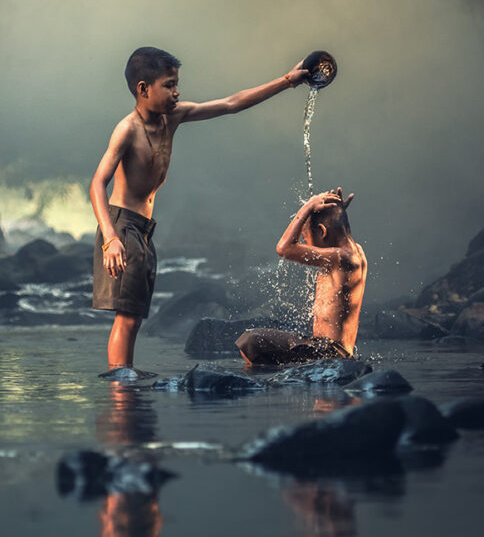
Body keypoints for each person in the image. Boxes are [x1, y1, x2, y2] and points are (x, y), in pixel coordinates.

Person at [90, 46, 309, 369]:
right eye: (169, 85)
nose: (177, 92)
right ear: (143, 89)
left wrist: (287, 81)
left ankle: (125, 383)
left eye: (177, 83)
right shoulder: (127, 130)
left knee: (134, 316)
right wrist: (111, 239)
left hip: (143, 229)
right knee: (127, 317)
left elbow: (232, 103)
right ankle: (120, 390)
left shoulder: (173, 116)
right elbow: (97, 183)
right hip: (122, 227)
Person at [236, 187, 367, 365]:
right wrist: (337, 213)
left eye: (305, 237)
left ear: (322, 232)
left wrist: (307, 208)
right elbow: (338, 229)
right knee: (257, 342)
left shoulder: (342, 257)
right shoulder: (356, 252)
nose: (304, 244)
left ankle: (255, 382)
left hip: (330, 352)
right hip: (327, 348)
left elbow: (284, 248)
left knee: (250, 340)